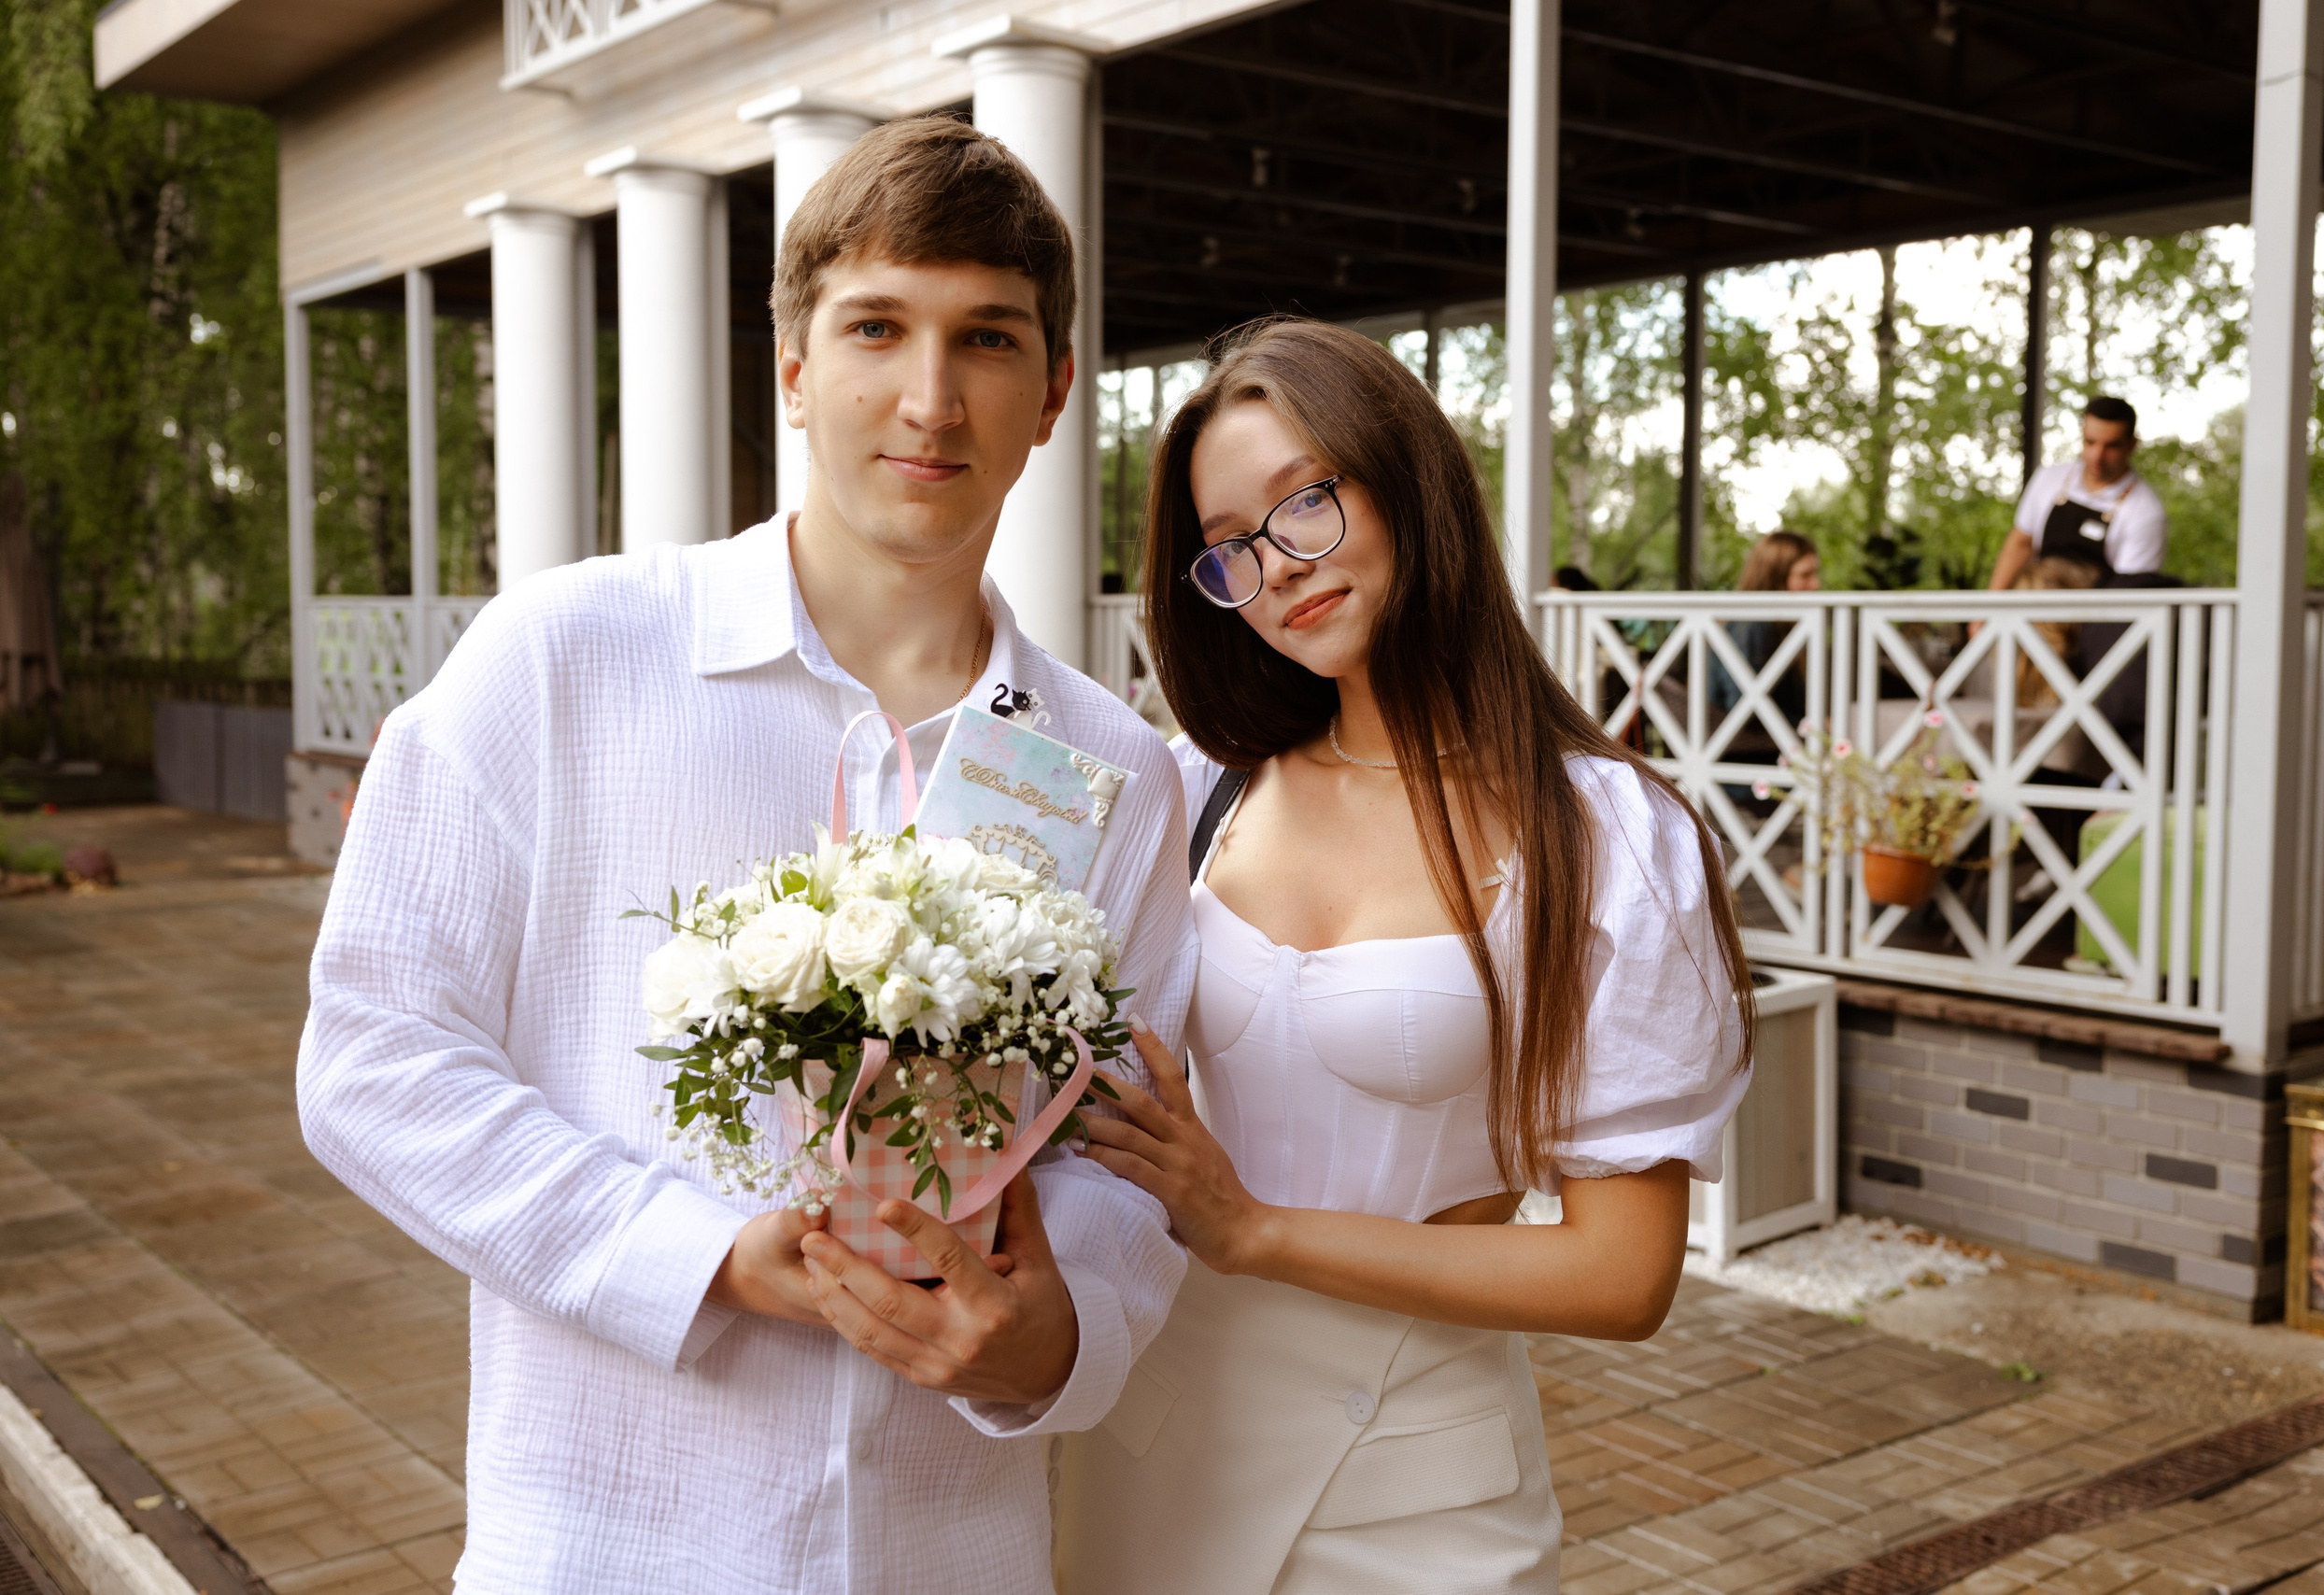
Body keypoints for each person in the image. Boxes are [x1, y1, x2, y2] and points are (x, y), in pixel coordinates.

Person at [295, 118, 1198, 1593]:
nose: (929, 397)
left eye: (986, 339)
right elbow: (374, 1057)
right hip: (607, 1538)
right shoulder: (562, 656)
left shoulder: (1115, 771)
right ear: (792, 366)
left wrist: (1056, 1332)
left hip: (948, 1547)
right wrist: (701, 1256)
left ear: (1052, 395)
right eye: (875, 327)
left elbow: (1122, 1155)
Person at [1053, 320, 1753, 1594]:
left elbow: (1625, 1272)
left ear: (1407, 476)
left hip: (1416, 1483)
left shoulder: (1607, 835)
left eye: (1304, 501)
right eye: (1228, 551)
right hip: (1156, 1431)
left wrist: (1253, 1228)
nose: (1277, 569)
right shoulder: (1199, 785)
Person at [1991, 396, 2167, 588]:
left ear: (2132, 444)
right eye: (2090, 442)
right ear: (2081, 434)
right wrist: (1986, 612)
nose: (2097, 456)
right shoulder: (2048, 478)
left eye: (2111, 446)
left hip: (2095, 614)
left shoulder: (2145, 512)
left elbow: (2127, 594)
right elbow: (2021, 544)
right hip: (2029, 604)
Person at [1708, 529, 1819, 735]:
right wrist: (1810, 725)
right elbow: (1743, 709)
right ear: (1775, 578)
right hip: (1748, 751)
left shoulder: (1774, 625)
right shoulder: (1752, 625)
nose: (1815, 584)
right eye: (1805, 575)